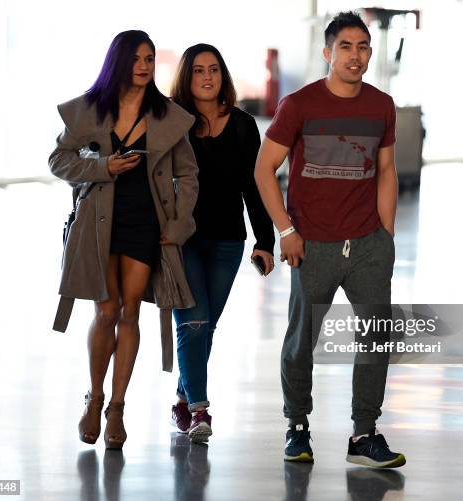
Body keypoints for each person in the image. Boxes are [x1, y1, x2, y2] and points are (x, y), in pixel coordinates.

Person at [255, 12, 406, 467]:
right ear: (328, 52)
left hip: (367, 245)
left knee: (376, 338)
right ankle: (297, 427)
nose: (355, 56)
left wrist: (387, 236)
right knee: (302, 340)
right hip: (312, 244)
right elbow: (264, 170)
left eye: (362, 47)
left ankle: (364, 434)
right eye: (346, 47)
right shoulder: (300, 105)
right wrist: (286, 230)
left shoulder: (381, 105)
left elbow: (385, 171)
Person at [49, 30, 199, 449]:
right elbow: (58, 160)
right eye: (136, 58)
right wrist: (103, 167)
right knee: (106, 309)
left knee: (130, 310)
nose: (144, 65)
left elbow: (188, 174)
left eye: (150, 58)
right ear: (118, 61)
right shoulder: (88, 110)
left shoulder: (167, 115)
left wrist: (178, 222)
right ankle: (93, 398)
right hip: (99, 221)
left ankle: (117, 406)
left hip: (146, 223)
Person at [169, 43, 275, 443]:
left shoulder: (244, 124)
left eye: (214, 69)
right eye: (198, 71)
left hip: (228, 240)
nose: (208, 77)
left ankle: (183, 395)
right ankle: (199, 411)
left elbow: (254, 184)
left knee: (205, 326)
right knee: (193, 322)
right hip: (182, 240)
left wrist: (266, 240)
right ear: (187, 77)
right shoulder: (172, 121)